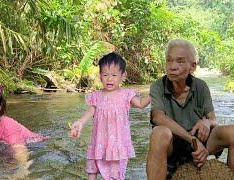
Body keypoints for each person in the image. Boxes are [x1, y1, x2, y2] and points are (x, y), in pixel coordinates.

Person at [146, 39, 234, 179]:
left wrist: (206, 122)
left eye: (180, 61)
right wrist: (191, 139)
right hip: (174, 145)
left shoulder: (201, 86)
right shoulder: (158, 86)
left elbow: (213, 120)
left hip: (200, 143)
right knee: (159, 132)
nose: (172, 66)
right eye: (169, 60)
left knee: (232, 132)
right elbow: (158, 117)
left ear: (192, 67)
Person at [70, 52, 150, 180]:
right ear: (100, 76)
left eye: (114, 75)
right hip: (98, 143)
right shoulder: (96, 96)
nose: (109, 79)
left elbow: (141, 104)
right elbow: (91, 111)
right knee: (92, 171)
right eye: (105, 75)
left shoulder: (126, 94)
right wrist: (80, 122)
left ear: (123, 76)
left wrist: (155, 92)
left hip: (117, 145)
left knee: (115, 176)